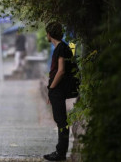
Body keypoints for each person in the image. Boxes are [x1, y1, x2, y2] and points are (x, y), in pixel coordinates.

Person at [43, 22, 73, 161]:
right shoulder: (63, 47)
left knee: (61, 121)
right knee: (61, 121)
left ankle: (60, 153)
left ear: (49, 34)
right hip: (59, 89)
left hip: (58, 89)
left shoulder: (61, 48)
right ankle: (61, 151)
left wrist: (51, 88)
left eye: (47, 33)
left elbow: (60, 71)